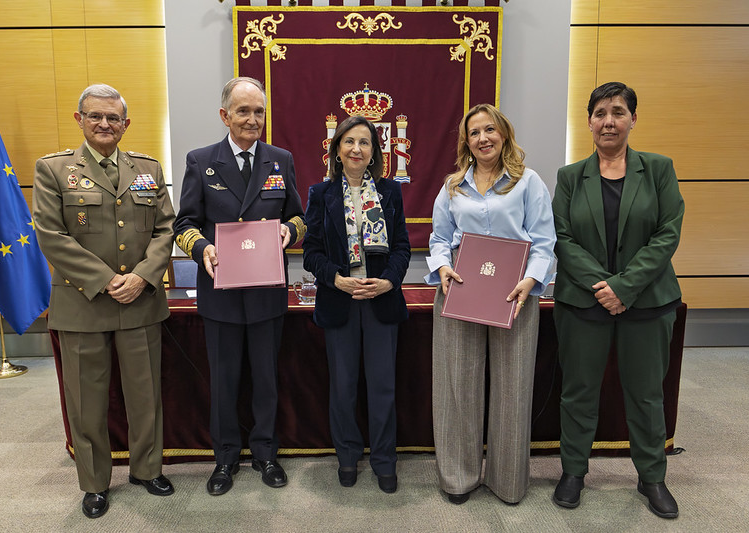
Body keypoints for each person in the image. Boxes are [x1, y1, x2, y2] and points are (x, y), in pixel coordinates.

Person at [32, 84, 176, 519]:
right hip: (83, 305)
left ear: (125, 124)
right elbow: (51, 235)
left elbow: (165, 229)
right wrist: (109, 279)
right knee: (86, 400)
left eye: (113, 118)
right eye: (95, 116)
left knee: (145, 395)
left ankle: (146, 469)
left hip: (141, 301)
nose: (105, 124)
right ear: (80, 119)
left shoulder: (147, 168)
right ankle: (94, 483)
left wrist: (142, 277)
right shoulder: (54, 170)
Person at [551, 82, 684, 519]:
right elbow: (563, 239)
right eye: (601, 112)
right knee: (578, 392)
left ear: (632, 119)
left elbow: (667, 232)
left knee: (646, 393)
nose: (609, 120)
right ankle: (573, 472)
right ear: (589, 121)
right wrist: (603, 286)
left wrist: (625, 287)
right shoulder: (571, 177)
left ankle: (652, 477)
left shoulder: (659, 169)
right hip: (584, 303)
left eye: (618, 112)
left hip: (647, 303)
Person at [173, 77, 305, 496]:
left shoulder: (280, 159)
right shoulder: (202, 161)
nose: (252, 119)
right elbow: (184, 224)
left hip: (267, 291)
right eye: (244, 111)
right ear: (224, 115)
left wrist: (288, 232)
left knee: (267, 378)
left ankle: (266, 453)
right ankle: (226, 458)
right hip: (222, 293)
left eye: (259, 112)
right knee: (225, 381)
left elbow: (299, 217)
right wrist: (203, 249)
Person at [425, 104, 556, 505]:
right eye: (474, 132)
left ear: (504, 135)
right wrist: (443, 268)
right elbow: (438, 239)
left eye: (490, 130)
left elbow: (544, 240)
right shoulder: (452, 186)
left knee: (512, 390)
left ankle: (507, 480)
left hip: (514, 295)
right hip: (459, 292)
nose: (483, 138)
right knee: (456, 388)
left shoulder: (528, 182)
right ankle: (459, 478)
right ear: (466, 140)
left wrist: (530, 281)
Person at [302, 116, 411, 494]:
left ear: (374, 152)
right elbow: (311, 252)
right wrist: (336, 279)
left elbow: (401, 248)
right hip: (340, 302)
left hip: (381, 302)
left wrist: (388, 281)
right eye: (349, 142)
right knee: (344, 387)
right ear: (336, 149)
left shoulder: (390, 193)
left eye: (365, 143)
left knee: (383, 387)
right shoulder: (321, 194)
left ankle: (384, 460)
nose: (356, 149)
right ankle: (347, 456)